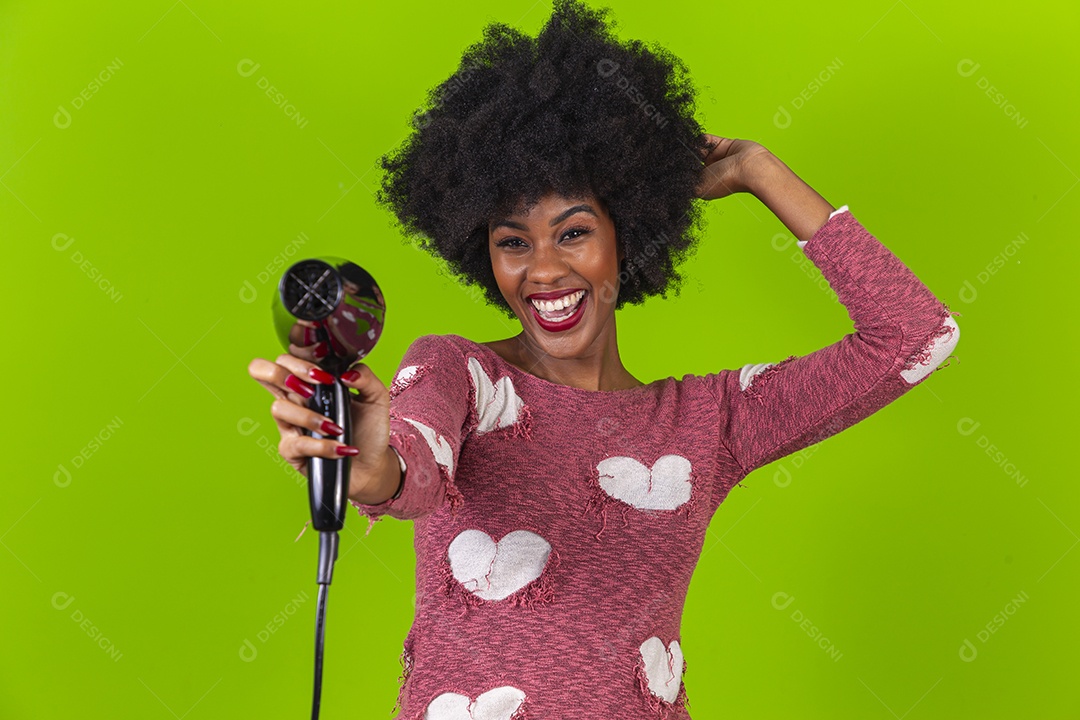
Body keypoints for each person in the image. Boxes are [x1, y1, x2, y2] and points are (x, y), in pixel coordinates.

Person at [246, 1, 961, 717]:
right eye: (513, 242)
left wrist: (761, 172)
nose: (545, 270)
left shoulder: (707, 422)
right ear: (482, 254)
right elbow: (411, 469)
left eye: (575, 232)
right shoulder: (458, 372)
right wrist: (370, 469)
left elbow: (915, 335)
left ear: (630, 233)